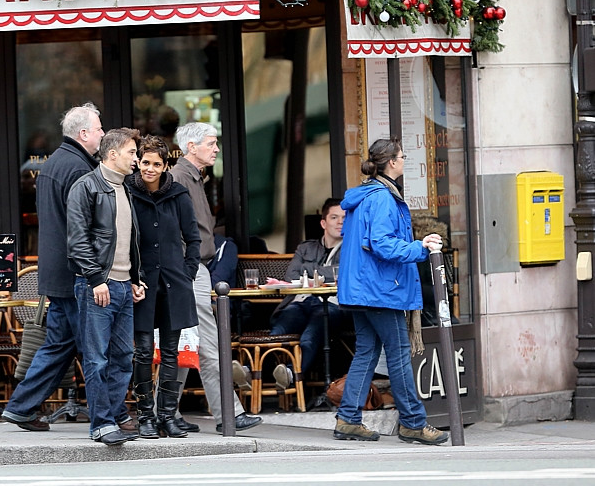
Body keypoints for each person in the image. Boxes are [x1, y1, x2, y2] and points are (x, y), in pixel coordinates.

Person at [333, 137, 448, 445]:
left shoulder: (366, 196)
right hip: (381, 289)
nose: (405, 160)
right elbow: (382, 244)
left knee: (367, 353)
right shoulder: (383, 197)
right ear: (392, 162)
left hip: (363, 290)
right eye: (402, 156)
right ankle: (413, 422)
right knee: (397, 355)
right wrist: (419, 247)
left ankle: (348, 419)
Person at [1, 103, 106, 431]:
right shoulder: (78, 168)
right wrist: (94, 271)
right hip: (76, 273)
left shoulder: (52, 164)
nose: (103, 134)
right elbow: (83, 227)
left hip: (57, 271)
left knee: (58, 345)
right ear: (84, 134)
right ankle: (109, 416)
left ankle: (21, 406)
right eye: (99, 129)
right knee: (93, 346)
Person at [170, 122, 261, 434]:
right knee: (208, 342)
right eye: (211, 143)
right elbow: (176, 229)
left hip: (192, 269)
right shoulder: (181, 176)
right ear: (192, 147)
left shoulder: (192, 176)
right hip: (189, 269)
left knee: (186, 343)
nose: (217, 148)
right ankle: (229, 414)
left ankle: (163, 411)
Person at [66, 127, 146, 446]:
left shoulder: (124, 188)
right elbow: (77, 240)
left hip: (124, 286)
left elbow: (127, 239)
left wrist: (135, 278)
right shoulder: (85, 187)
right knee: (97, 357)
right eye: (131, 153)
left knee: (124, 355)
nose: (136, 160)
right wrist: (96, 279)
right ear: (112, 155)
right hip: (98, 285)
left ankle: (113, 416)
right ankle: (100, 423)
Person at [126, 135, 200, 438]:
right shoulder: (127, 190)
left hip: (174, 283)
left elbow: (193, 238)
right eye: (145, 162)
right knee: (143, 352)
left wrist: (189, 272)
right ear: (138, 162)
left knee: (171, 352)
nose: (150, 169)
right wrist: (130, 276)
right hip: (141, 283)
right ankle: (145, 415)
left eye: (157, 163)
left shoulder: (179, 194)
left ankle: (167, 415)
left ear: (166, 164)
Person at [266, 198, 351, 389]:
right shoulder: (306, 247)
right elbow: (291, 276)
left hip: (333, 306)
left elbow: (347, 273)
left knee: (310, 335)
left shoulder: (352, 249)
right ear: (323, 223)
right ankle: (253, 371)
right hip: (301, 302)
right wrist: (327, 273)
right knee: (278, 330)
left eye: (345, 218)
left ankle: (290, 373)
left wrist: (310, 271)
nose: (340, 222)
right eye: (334, 217)